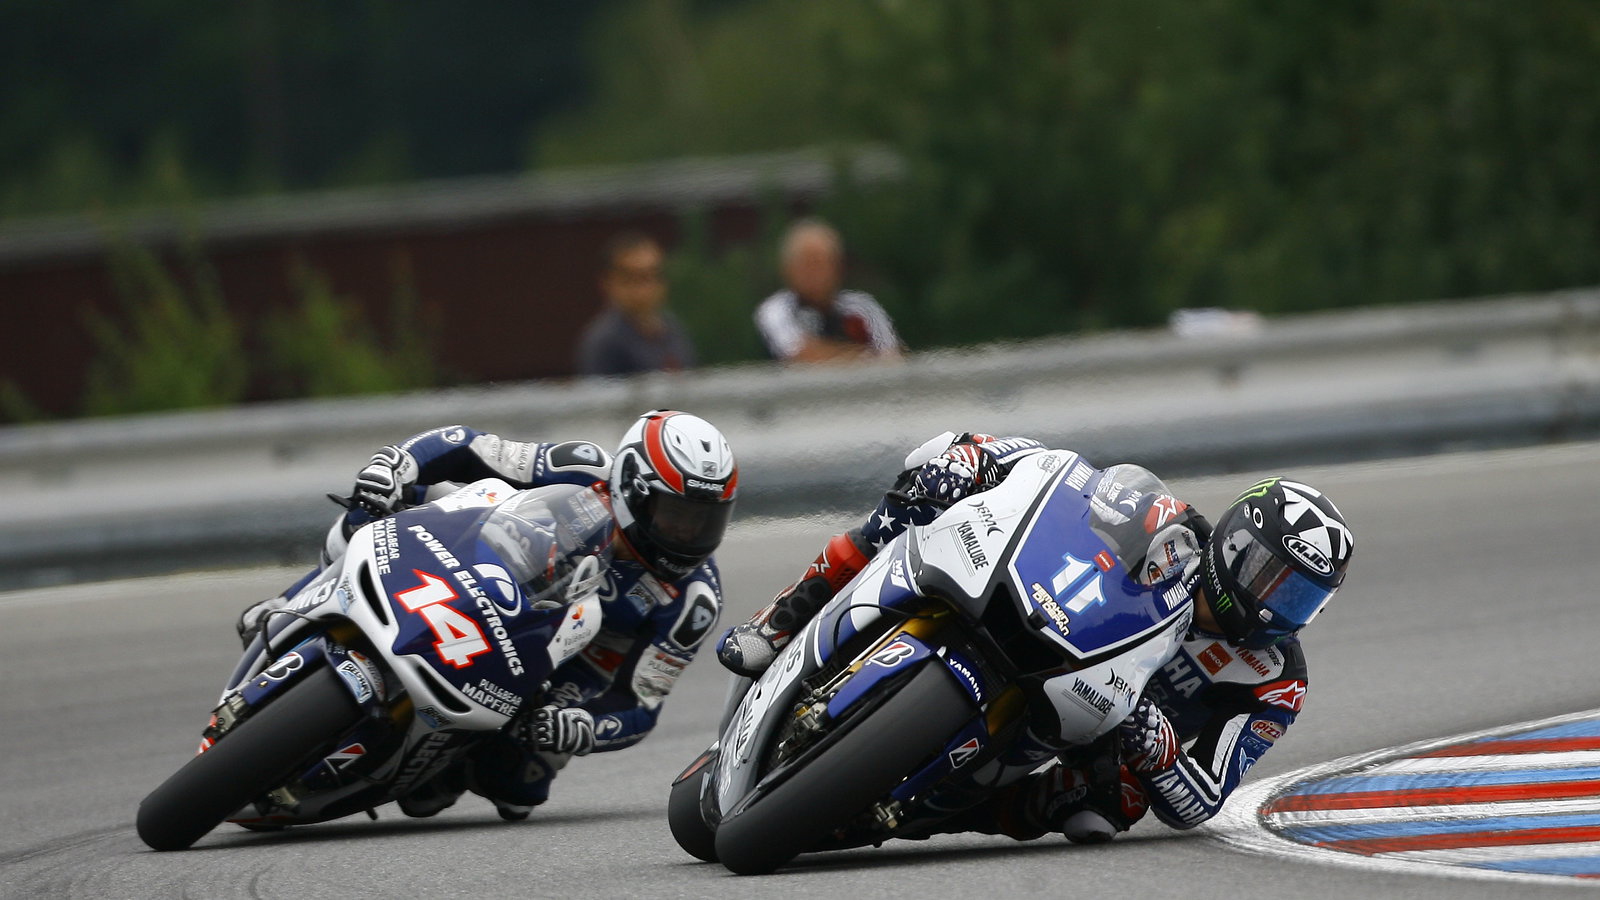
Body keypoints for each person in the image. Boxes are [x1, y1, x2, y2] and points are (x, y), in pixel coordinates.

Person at [717, 431, 1352, 844]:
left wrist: (1155, 746)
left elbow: (1201, 800)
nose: (1273, 603)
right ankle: (783, 619)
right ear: (1234, 544)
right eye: (1268, 576)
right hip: (1048, 625)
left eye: (1298, 597)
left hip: (1098, 729)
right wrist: (976, 460)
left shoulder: (1277, 681)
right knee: (916, 499)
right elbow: (1063, 481)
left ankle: (940, 812)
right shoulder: (1172, 530)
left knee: (1100, 812)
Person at [239, 410, 737, 821]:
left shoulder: (693, 599)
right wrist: (396, 466)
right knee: (374, 509)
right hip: (487, 564)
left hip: (574, 658)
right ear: (631, 486)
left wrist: (585, 725)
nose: (688, 534)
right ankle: (294, 601)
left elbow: (642, 704)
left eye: (704, 521)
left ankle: (446, 766)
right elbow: (466, 444)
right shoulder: (580, 466)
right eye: (676, 515)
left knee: (518, 784)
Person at [754, 218, 902, 363]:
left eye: (820, 263)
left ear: (837, 267)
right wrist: (866, 358)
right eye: (806, 264)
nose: (813, 273)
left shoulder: (864, 307)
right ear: (788, 270)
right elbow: (804, 356)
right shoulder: (775, 310)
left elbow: (893, 359)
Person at [576, 232, 697, 376]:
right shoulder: (604, 342)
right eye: (631, 279)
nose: (644, 289)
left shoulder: (673, 329)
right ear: (607, 283)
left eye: (652, 275)